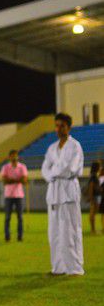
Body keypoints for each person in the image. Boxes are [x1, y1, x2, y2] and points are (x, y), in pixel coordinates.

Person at [42, 113, 84, 275]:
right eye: (57, 125)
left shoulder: (75, 146)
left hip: (68, 194)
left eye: (62, 126)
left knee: (70, 232)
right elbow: (45, 169)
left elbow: (70, 169)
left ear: (69, 127)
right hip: (53, 194)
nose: (59, 129)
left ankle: (74, 268)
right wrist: (52, 173)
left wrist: (53, 172)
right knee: (54, 233)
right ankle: (58, 268)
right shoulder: (52, 148)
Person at [0, 149, 28, 241]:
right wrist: (18, 179)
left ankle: (20, 236)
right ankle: (7, 236)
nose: (14, 157)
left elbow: (24, 181)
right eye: (12, 156)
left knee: (20, 217)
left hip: (19, 195)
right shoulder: (5, 167)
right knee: (7, 217)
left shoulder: (22, 167)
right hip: (8, 195)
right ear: (9, 157)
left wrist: (11, 180)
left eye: (15, 156)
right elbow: (4, 181)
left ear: (18, 156)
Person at [84, 161, 102, 234]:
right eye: (99, 166)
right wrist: (91, 197)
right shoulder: (93, 176)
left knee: (94, 213)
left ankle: (93, 229)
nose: (100, 168)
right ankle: (93, 230)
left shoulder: (94, 175)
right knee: (92, 213)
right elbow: (91, 186)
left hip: (96, 196)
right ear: (96, 167)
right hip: (95, 197)